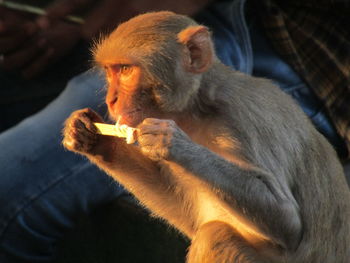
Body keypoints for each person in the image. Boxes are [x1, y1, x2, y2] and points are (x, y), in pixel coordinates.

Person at [0, 0, 349, 262]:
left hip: (303, 58)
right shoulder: (190, 105)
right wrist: (110, 155)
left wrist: (186, 151)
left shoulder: (243, 108)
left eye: (124, 71)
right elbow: (194, 216)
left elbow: (284, 228)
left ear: (195, 56)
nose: (111, 98)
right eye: (109, 72)